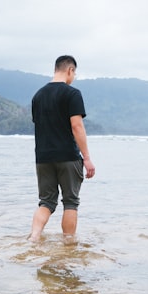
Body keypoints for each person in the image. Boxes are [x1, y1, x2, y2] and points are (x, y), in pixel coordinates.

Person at [29, 55, 96, 241]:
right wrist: (87, 158)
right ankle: (68, 245)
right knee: (70, 202)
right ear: (70, 70)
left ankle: (34, 237)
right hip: (67, 156)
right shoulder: (72, 94)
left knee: (46, 202)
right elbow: (77, 126)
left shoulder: (38, 96)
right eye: (74, 73)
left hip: (43, 158)